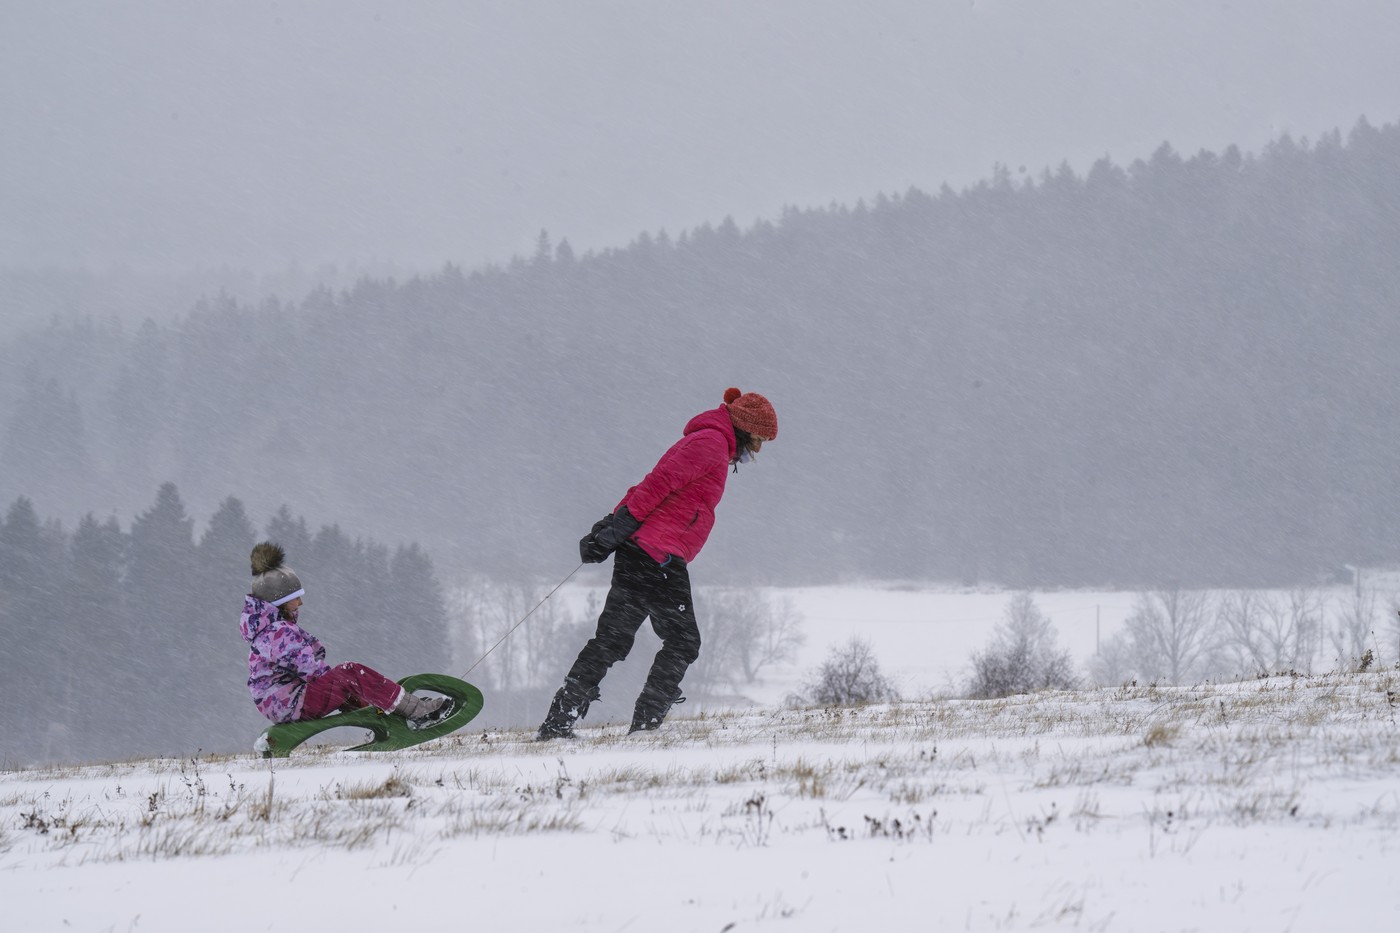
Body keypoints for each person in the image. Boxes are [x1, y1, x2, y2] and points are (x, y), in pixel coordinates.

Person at [537, 387, 778, 739]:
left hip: (641, 552)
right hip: (659, 557)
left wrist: (613, 523)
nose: (757, 451)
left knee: (611, 641)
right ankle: (645, 727)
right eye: (758, 441)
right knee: (683, 642)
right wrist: (616, 526)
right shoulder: (710, 444)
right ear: (745, 428)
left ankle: (557, 724)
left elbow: (647, 484)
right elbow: (657, 484)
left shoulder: (709, 440)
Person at [239, 541, 452, 728]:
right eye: (296, 598)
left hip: (283, 704)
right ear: (280, 601)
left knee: (348, 681)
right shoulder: (278, 632)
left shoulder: (268, 631)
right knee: (351, 672)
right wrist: (344, 683)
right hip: (292, 703)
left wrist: (346, 690)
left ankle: (391, 715)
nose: (300, 603)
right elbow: (309, 669)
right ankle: (419, 712)